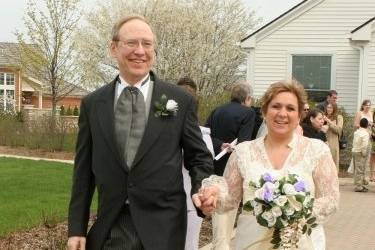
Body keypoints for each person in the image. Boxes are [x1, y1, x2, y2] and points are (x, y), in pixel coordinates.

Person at [67, 15, 214, 250]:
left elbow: (200, 157)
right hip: (114, 223)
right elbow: (83, 172)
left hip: (164, 225)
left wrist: (201, 189)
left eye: (147, 44)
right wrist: (76, 228)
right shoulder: (93, 104)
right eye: (132, 43)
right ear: (113, 48)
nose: (140, 51)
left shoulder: (179, 100)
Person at [199, 80, 339, 250]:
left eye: (290, 108)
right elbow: (229, 199)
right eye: (276, 106)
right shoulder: (243, 152)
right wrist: (214, 195)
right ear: (265, 111)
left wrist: (292, 209)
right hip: (251, 242)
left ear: (300, 114)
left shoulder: (317, 150)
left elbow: (331, 199)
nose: (282, 113)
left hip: (298, 242)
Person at [177, 77, 215, 250]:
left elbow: (203, 164)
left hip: (189, 199)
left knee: (189, 244)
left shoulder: (201, 136)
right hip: (163, 200)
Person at [205, 83, 256, 176]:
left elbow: (206, 135)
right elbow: (244, 143)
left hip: (214, 161)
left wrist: (220, 144)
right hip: (233, 164)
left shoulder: (217, 110)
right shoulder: (249, 113)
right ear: (248, 98)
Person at [353, 100, 375, 181]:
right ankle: (358, 180)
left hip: (369, 137)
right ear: (363, 106)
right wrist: (365, 125)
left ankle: (365, 178)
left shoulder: (371, 113)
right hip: (361, 137)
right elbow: (355, 125)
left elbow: (372, 125)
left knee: (367, 158)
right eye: (366, 105)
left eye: (369, 105)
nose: (368, 107)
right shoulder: (359, 113)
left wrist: (372, 125)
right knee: (360, 159)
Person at [352, 118, 370, 192]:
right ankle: (359, 186)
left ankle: (358, 184)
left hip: (354, 151)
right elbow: (365, 144)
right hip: (360, 152)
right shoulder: (365, 133)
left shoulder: (356, 132)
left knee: (357, 168)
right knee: (360, 169)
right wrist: (364, 153)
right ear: (367, 125)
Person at [323, 103, 343, 169]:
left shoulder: (339, 117)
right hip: (323, 143)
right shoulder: (323, 116)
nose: (329, 109)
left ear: (334, 109)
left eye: (331, 107)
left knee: (333, 165)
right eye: (328, 107)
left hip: (333, 144)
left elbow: (339, 130)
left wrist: (328, 121)